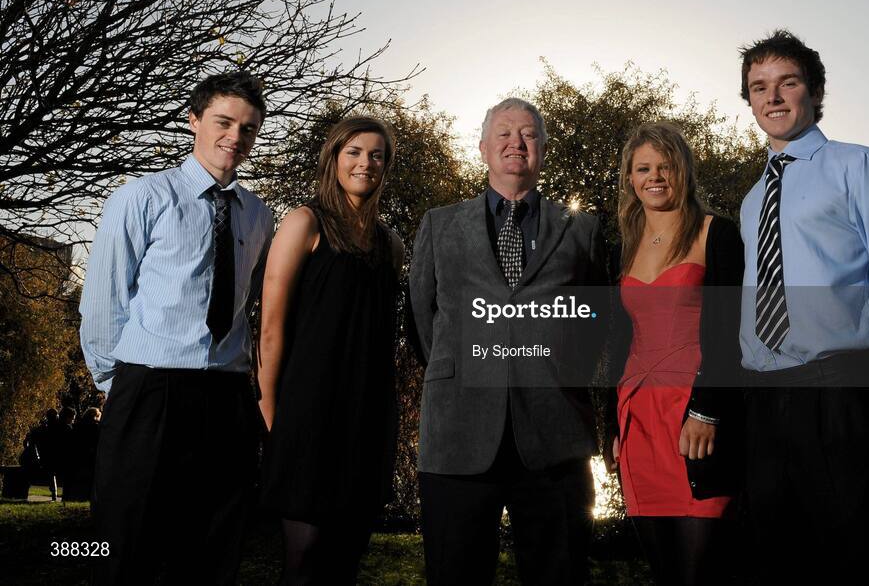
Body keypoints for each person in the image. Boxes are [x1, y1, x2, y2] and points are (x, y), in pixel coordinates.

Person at [736, 30, 869, 585]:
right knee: (782, 561)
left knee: (865, 559)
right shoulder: (752, 200)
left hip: (845, 392)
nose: (772, 98)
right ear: (749, 100)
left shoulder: (861, 166)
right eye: (759, 88)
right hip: (767, 403)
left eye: (788, 83)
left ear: (815, 91)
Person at [79, 71, 273, 585]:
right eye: (224, 122)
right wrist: (115, 386)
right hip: (151, 389)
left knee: (213, 553)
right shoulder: (142, 197)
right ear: (193, 121)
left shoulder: (259, 215)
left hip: (228, 398)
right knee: (127, 545)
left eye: (248, 128)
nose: (235, 136)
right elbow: (103, 302)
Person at [409, 97, 607, 585]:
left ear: (542, 149)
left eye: (528, 134)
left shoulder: (582, 229)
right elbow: (420, 316)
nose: (516, 143)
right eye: (504, 133)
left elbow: (597, 321)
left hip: (555, 438)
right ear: (482, 148)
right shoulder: (439, 224)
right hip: (458, 436)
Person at [258, 116, 404, 585]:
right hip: (307, 418)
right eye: (355, 153)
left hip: (366, 420)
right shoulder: (304, 223)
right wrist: (272, 419)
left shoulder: (391, 244)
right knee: (303, 563)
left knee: (345, 562)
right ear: (334, 159)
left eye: (376, 155)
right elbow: (271, 330)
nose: (366, 163)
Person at [604, 122, 744, 586]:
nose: (654, 177)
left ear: (683, 170)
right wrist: (612, 426)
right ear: (629, 178)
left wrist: (708, 411)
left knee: (701, 572)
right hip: (637, 420)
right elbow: (616, 344)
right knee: (662, 571)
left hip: (695, 418)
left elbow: (732, 334)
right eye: (643, 168)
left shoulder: (717, 234)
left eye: (665, 166)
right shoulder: (621, 248)